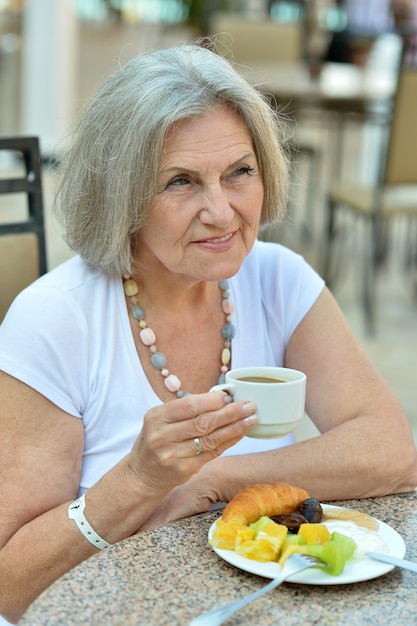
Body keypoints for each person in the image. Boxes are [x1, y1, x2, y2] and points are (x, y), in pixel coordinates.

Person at [0, 42, 416, 623]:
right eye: (180, 182)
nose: (221, 212)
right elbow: (11, 583)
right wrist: (140, 480)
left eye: (239, 172)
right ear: (123, 197)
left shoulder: (276, 279)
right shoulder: (56, 320)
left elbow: (392, 449)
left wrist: (220, 480)